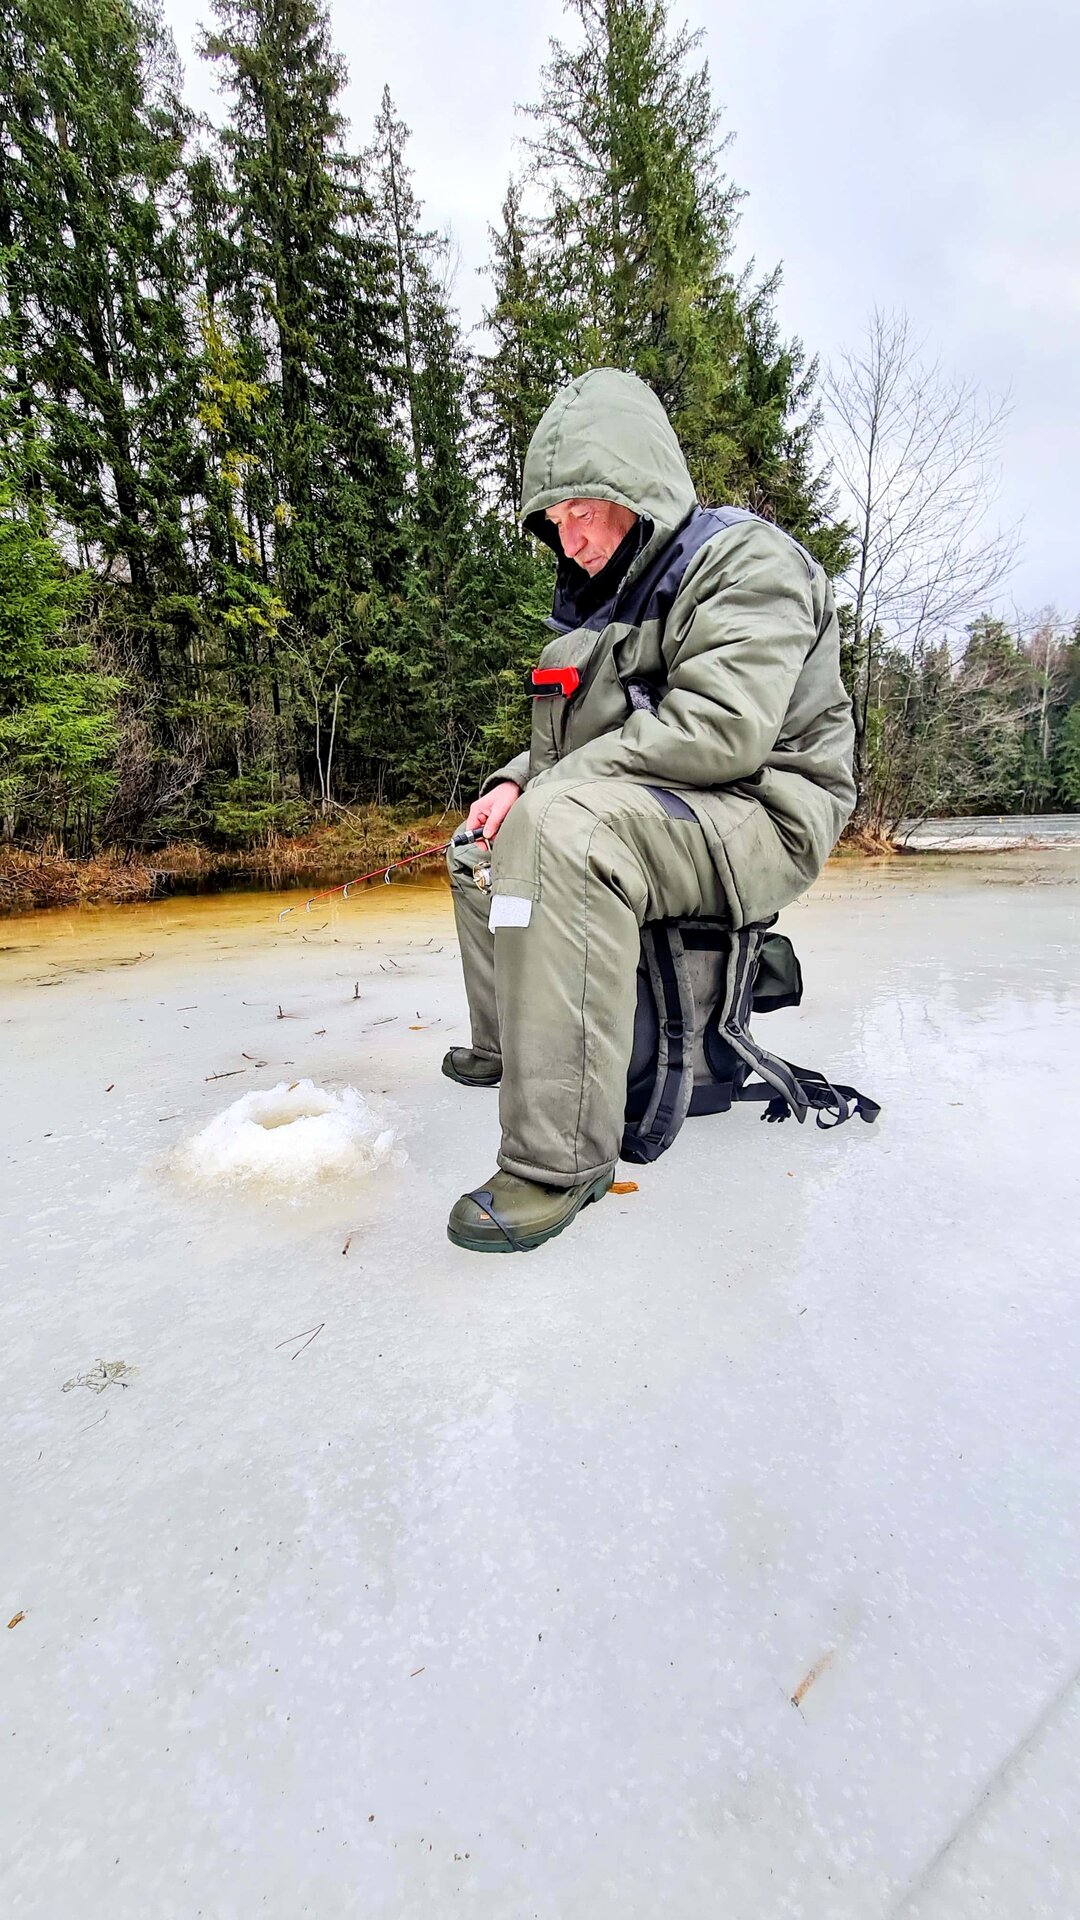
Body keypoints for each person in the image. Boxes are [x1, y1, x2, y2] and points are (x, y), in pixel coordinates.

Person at [443, 366, 855, 1253]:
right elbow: (587, 742)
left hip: (764, 807)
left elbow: (719, 729)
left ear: (639, 486)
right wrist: (516, 781)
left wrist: (547, 798)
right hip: (672, 801)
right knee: (483, 845)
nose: (572, 535)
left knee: (561, 831)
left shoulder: (748, 563)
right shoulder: (610, 609)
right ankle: (510, 1044)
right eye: (554, 519)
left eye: (585, 507)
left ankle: (561, 1160)